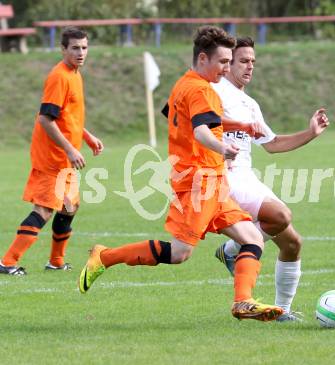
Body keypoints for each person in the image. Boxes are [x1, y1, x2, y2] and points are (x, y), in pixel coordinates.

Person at [78, 26, 284, 322]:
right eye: (223, 62)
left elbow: (184, 117)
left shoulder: (184, 84)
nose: (227, 69)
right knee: (179, 253)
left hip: (213, 183)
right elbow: (201, 131)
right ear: (203, 58)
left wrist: (238, 126)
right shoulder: (202, 89)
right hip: (199, 183)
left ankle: (243, 302)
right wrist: (222, 147)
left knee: (252, 237)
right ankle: (104, 256)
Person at [211, 37, 329, 322]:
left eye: (253, 61)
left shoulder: (249, 103)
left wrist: (310, 133)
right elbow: (186, 120)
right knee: (280, 214)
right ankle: (233, 249)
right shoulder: (213, 91)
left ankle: (282, 311)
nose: (250, 66)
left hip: (246, 176)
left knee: (292, 243)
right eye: (243, 61)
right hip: (222, 175)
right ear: (227, 64)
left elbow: (273, 143)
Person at [0, 27, 103, 276]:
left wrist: (86, 137)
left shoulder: (75, 74)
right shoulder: (60, 76)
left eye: (84, 47)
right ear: (63, 49)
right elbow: (46, 119)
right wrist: (70, 149)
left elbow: (66, 116)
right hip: (52, 156)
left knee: (69, 207)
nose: (81, 52)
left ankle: (56, 262)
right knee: (44, 210)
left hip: (63, 157)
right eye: (75, 48)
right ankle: (7, 262)